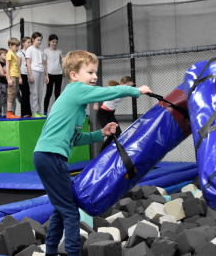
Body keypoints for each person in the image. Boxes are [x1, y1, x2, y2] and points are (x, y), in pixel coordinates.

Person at [33, 50, 151, 256]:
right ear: (74, 76)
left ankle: (51, 250)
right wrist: (135, 91)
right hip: (49, 157)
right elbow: (107, 93)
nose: (95, 76)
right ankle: (72, 253)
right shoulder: (75, 90)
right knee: (70, 212)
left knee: (62, 208)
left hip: (52, 157)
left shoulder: (78, 107)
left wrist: (100, 133)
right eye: (90, 72)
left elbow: (76, 138)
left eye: (95, 72)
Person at [94, 76, 134, 152]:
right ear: (122, 84)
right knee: (110, 135)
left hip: (111, 114)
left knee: (119, 134)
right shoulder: (113, 89)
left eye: (130, 86)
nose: (129, 88)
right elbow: (99, 94)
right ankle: (101, 155)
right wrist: (96, 104)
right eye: (128, 86)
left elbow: (136, 91)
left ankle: (120, 155)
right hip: (103, 114)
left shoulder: (125, 91)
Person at [26, 32, 49, 118]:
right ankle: (34, 111)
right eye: (38, 40)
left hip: (41, 71)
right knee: (34, 92)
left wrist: (47, 75)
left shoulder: (41, 51)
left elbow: (44, 64)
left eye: (41, 40)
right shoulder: (30, 49)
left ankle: (39, 111)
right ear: (33, 39)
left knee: (40, 92)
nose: (39, 42)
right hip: (34, 70)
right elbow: (28, 63)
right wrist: (30, 75)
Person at [43, 34, 64, 115]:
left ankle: (57, 111)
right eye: (53, 42)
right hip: (50, 74)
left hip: (59, 74)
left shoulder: (59, 51)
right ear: (49, 42)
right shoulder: (46, 51)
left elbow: (63, 60)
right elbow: (44, 63)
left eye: (56, 42)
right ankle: (45, 111)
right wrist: (46, 75)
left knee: (57, 93)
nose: (54, 44)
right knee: (48, 93)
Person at [6, 38, 22, 119]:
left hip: (15, 76)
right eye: (16, 46)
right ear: (10, 45)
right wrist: (9, 79)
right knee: (11, 95)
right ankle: (9, 113)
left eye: (18, 46)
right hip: (12, 76)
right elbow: (7, 66)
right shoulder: (9, 53)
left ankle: (11, 113)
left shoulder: (14, 54)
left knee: (14, 95)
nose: (17, 48)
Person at [17, 37, 32, 117]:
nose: (29, 44)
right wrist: (20, 78)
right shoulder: (20, 53)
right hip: (23, 74)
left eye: (30, 42)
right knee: (25, 94)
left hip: (30, 74)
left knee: (30, 94)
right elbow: (18, 66)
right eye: (28, 42)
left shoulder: (30, 52)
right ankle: (24, 113)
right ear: (23, 43)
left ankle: (29, 112)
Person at [0, 48, 8, 118]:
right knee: (1, 99)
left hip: (8, 84)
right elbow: (0, 73)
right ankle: (0, 114)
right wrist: (6, 74)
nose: (6, 56)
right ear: (0, 56)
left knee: (7, 99)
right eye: (4, 55)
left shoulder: (8, 63)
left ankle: (5, 114)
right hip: (2, 83)